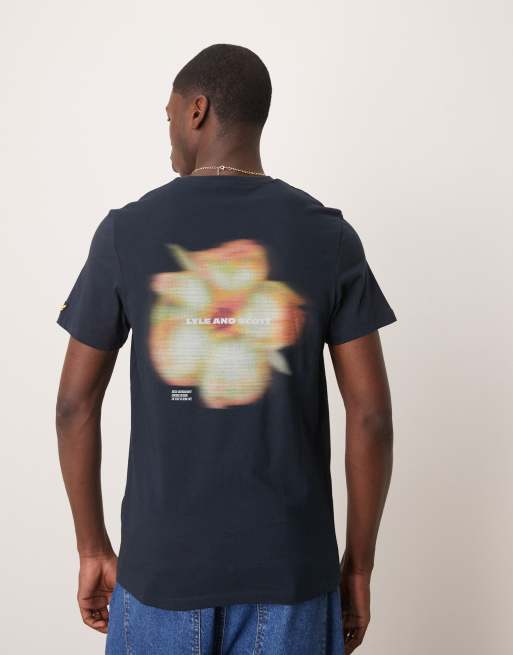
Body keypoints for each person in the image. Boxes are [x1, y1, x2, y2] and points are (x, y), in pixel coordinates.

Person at [55, 43, 397, 655]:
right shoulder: (327, 235)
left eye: (169, 115)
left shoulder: (126, 232)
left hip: (160, 573)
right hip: (291, 574)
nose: (168, 132)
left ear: (197, 110)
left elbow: (73, 406)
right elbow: (370, 416)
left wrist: (91, 547)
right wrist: (359, 566)